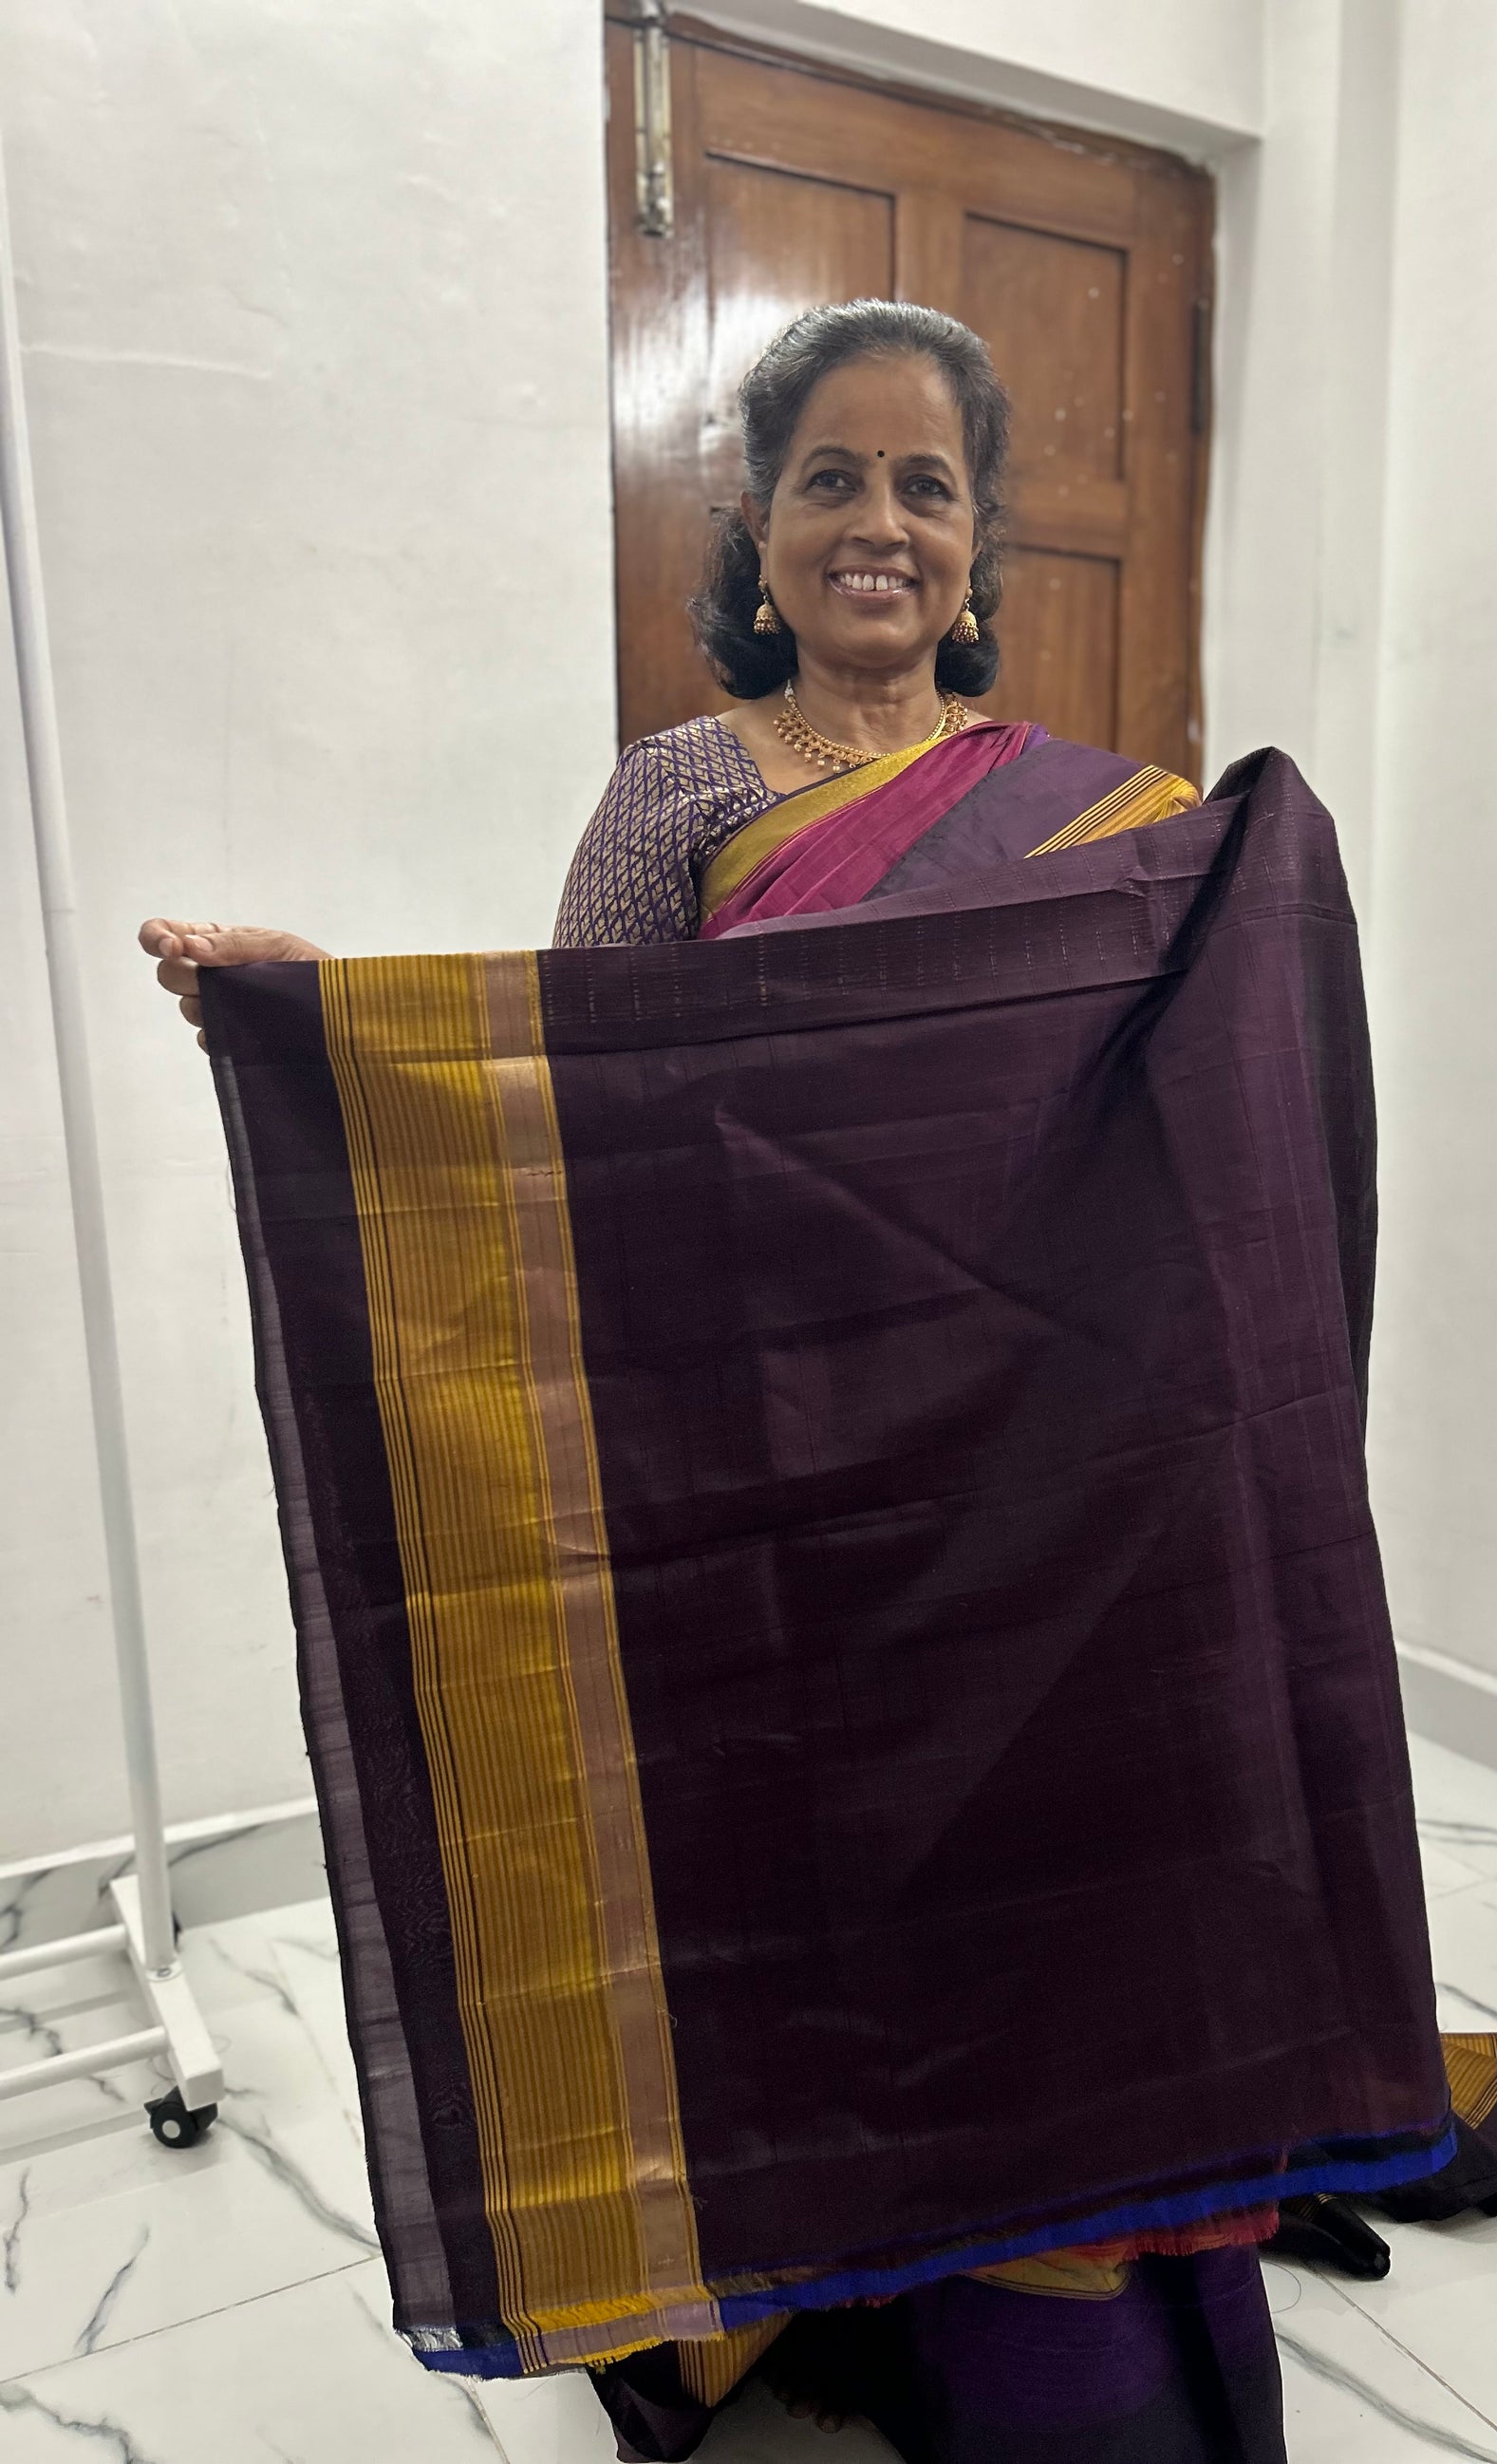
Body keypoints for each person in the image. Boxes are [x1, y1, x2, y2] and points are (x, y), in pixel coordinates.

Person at [144, 302, 1338, 2463]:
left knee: (1056, 1930)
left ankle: (1059, 2343)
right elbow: (569, 1100)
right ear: (761, 533)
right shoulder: (676, 793)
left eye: (924, 485)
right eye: (829, 478)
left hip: (1039, 1489)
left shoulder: (1103, 825)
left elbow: (1184, 1141)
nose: (878, 523)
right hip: (786, 1482)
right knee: (837, 1922)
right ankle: (838, 2267)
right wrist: (334, 1021)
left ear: (976, 545)